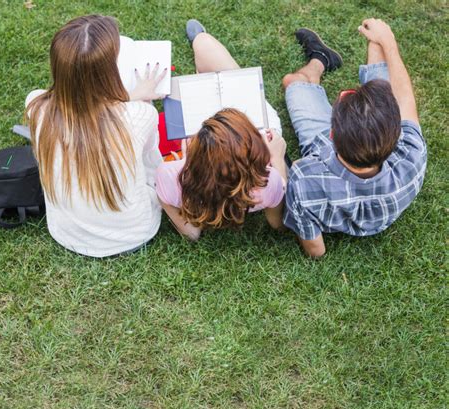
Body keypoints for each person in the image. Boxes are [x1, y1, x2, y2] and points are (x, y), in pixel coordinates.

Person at [281, 20, 427, 257]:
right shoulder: (411, 155)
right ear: (394, 130)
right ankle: (325, 57)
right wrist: (385, 41)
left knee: (294, 82)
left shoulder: (305, 177)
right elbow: (405, 99)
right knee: (379, 82)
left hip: (325, 150)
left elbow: (316, 251)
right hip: (359, 150)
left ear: (331, 133)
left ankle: (320, 60)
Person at [26, 15, 166, 257]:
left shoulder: (35, 105)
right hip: (135, 233)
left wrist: (131, 99)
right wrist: (136, 100)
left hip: (67, 234)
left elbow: (87, 112)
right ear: (108, 73)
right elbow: (154, 166)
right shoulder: (140, 115)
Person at [155, 20, 288, 240]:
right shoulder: (268, 180)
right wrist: (278, 159)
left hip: (217, 149)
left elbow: (192, 233)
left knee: (205, 54)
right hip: (236, 143)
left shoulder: (170, 176)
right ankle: (202, 52)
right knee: (215, 57)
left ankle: (202, 62)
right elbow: (277, 222)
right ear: (255, 149)